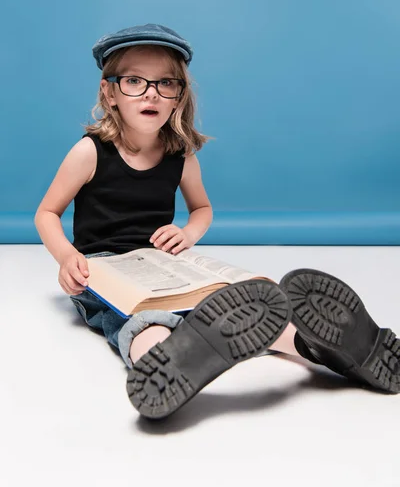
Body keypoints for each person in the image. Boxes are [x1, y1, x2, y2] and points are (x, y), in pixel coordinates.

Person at [34, 24, 399, 421]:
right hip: (102, 269)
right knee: (140, 319)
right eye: (135, 81)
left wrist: (187, 233)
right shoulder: (89, 152)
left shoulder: (180, 156)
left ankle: (318, 348)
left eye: (165, 83)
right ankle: (161, 362)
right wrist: (67, 257)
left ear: (179, 96)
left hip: (163, 264)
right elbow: (47, 213)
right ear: (110, 93)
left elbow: (201, 209)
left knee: (239, 307)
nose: (151, 92)